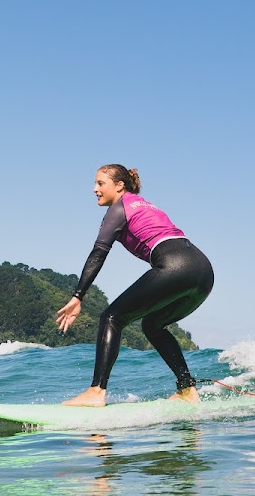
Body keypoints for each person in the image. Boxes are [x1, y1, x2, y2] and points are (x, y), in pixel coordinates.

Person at [55, 165, 214, 407]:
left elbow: (99, 253)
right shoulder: (145, 204)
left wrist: (78, 296)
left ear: (119, 186)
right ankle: (187, 389)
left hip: (175, 266)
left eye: (100, 183)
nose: (95, 189)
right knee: (153, 325)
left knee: (111, 317)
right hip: (203, 270)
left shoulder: (119, 209)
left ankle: (96, 392)